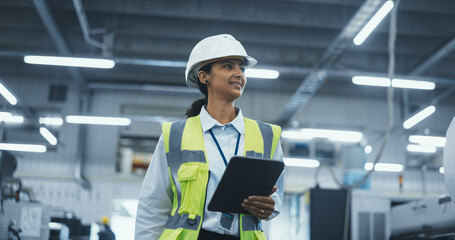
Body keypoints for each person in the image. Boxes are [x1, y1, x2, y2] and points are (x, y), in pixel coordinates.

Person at [135, 34, 284, 240]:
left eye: (241, 67)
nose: (239, 73)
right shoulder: (174, 136)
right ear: (204, 77)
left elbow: (275, 197)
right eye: (228, 66)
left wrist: (269, 207)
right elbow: (152, 206)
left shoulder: (267, 135)